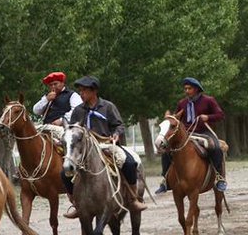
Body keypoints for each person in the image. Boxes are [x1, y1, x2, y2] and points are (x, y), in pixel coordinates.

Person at [63, 75, 147, 217]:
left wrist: (116, 134)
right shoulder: (78, 111)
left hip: (106, 145)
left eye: (84, 91)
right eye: (80, 91)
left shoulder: (108, 107)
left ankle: (132, 198)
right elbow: (72, 130)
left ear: (94, 91)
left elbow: (119, 125)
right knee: (64, 173)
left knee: (129, 163)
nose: (81, 94)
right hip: (85, 149)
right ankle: (77, 204)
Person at [157, 77, 226, 194]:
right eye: (185, 88)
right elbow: (177, 118)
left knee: (215, 147)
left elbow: (220, 115)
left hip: (204, 132)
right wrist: (170, 118)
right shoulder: (182, 103)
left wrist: (208, 117)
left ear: (197, 89)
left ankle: (220, 178)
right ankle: (165, 180)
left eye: (189, 88)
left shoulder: (209, 100)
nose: (186, 91)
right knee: (167, 149)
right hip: (186, 133)